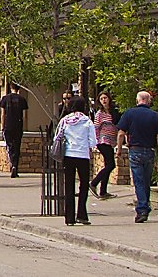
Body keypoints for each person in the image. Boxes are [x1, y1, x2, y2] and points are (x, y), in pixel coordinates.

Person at [118, 89, 158, 222]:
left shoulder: (129, 113)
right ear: (149, 101)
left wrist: (119, 150)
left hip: (135, 150)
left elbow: (121, 133)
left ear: (137, 100)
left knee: (138, 181)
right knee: (146, 181)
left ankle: (142, 208)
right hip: (149, 151)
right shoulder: (155, 116)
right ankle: (145, 205)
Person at [53, 95, 97, 225]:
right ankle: (82, 214)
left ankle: (69, 217)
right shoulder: (87, 121)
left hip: (68, 155)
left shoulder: (65, 120)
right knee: (83, 185)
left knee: (69, 185)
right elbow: (93, 141)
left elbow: (57, 137)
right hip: (82, 155)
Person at [0, 83, 29, 179]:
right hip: (18, 125)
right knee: (17, 145)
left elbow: (2, 114)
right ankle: (15, 165)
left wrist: (2, 125)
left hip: (8, 124)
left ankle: (12, 164)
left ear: (10, 88)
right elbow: (24, 115)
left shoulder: (5, 99)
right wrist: (23, 126)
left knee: (9, 145)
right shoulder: (22, 99)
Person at [91, 91, 120, 199]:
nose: (104, 100)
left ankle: (103, 191)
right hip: (103, 141)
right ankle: (94, 183)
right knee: (111, 165)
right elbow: (96, 128)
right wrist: (95, 141)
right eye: (102, 98)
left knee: (108, 165)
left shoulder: (113, 112)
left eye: (105, 98)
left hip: (111, 141)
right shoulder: (99, 114)